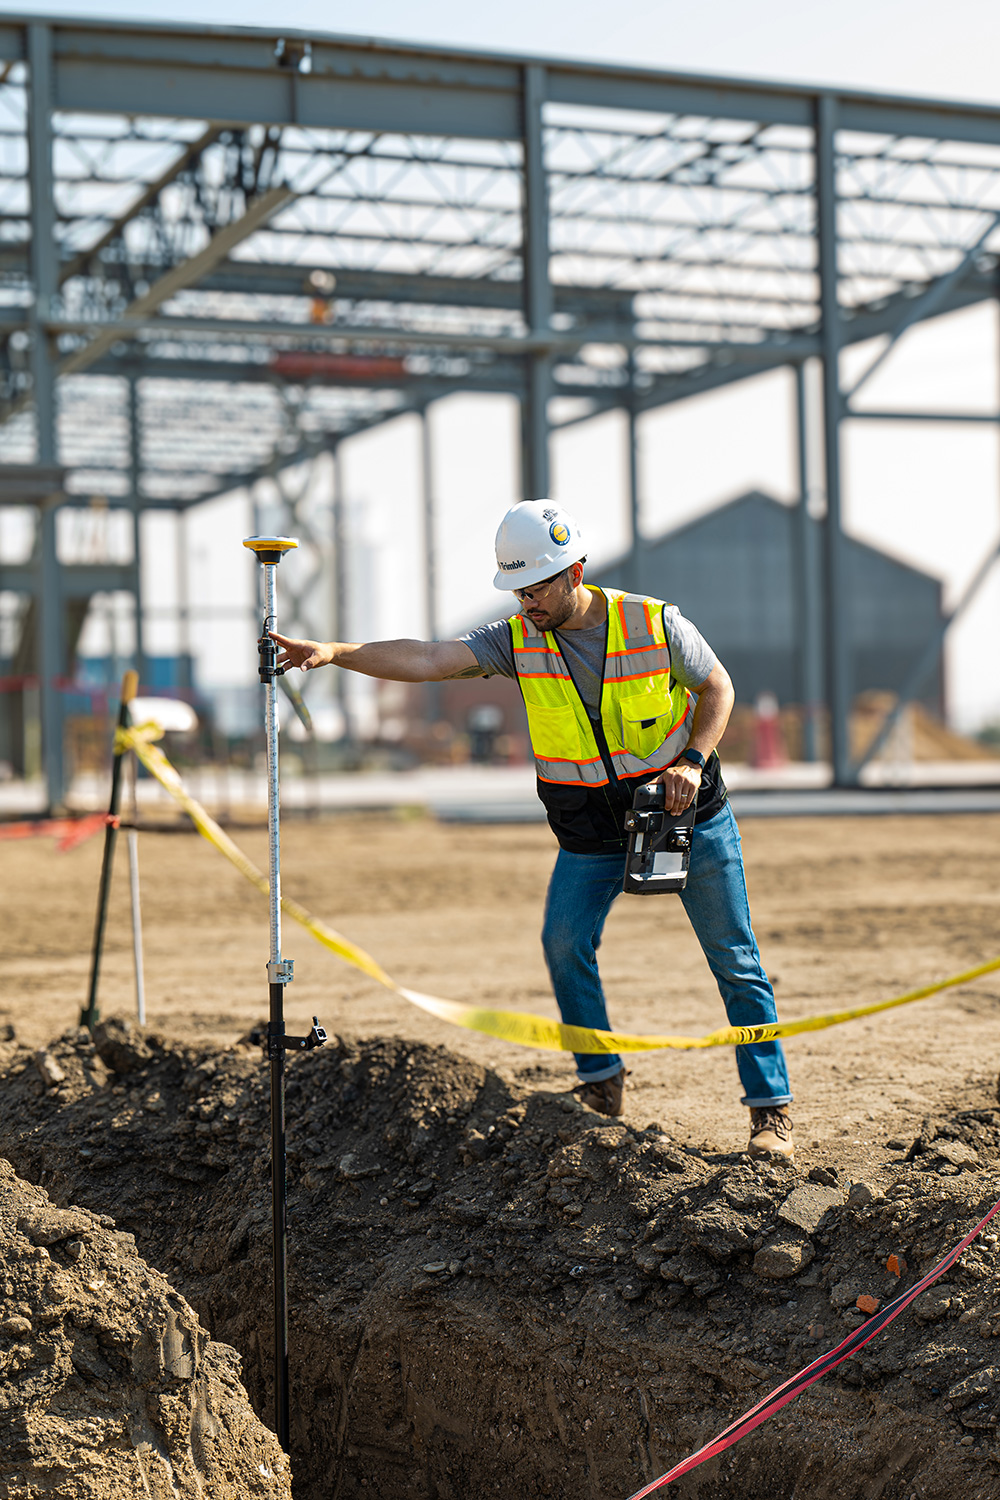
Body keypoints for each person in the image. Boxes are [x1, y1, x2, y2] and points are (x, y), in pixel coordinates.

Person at [270, 500, 794, 1158]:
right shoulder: (517, 638)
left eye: (537, 586)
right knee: (563, 942)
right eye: (517, 589)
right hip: (591, 830)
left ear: (575, 572)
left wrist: (691, 762)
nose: (527, 602)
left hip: (682, 811)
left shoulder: (653, 623)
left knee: (735, 961)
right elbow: (431, 657)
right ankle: (601, 1081)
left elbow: (718, 688)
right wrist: (335, 652)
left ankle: (770, 1112)